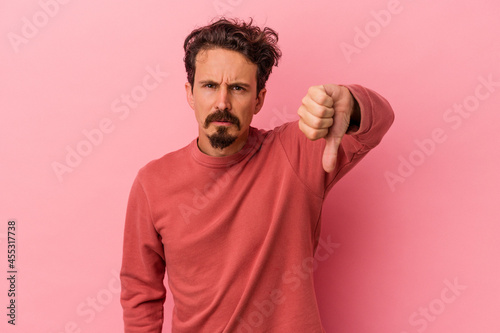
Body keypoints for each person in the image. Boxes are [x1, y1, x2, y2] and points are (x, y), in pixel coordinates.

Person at [120, 17, 394, 333]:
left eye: (238, 88)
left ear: (259, 100)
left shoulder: (295, 153)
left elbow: (379, 122)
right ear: (190, 94)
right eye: (210, 86)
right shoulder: (152, 183)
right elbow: (140, 292)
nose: (222, 102)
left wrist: (351, 101)